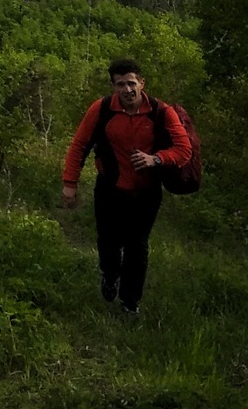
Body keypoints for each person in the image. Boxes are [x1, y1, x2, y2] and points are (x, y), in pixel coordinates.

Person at [60, 58, 191, 315]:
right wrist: (70, 184)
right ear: (113, 86)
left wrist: (156, 159)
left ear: (142, 83)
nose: (127, 90)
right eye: (120, 84)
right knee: (108, 242)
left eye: (131, 83)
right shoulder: (102, 109)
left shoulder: (161, 112)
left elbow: (184, 149)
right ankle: (110, 276)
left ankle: (130, 304)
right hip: (110, 188)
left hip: (146, 191)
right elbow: (79, 146)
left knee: (137, 246)